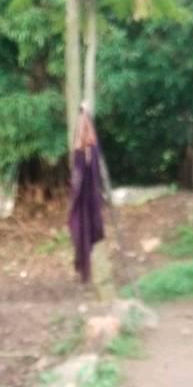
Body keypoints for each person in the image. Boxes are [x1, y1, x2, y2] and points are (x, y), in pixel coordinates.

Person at [68, 104, 115, 301]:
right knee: (82, 227)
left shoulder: (91, 152)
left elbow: (88, 146)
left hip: (92, 206)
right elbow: (81, 149)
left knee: (94, 232)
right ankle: (89, 272)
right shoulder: (80, 156)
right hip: (83, 205)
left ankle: (102, 284)